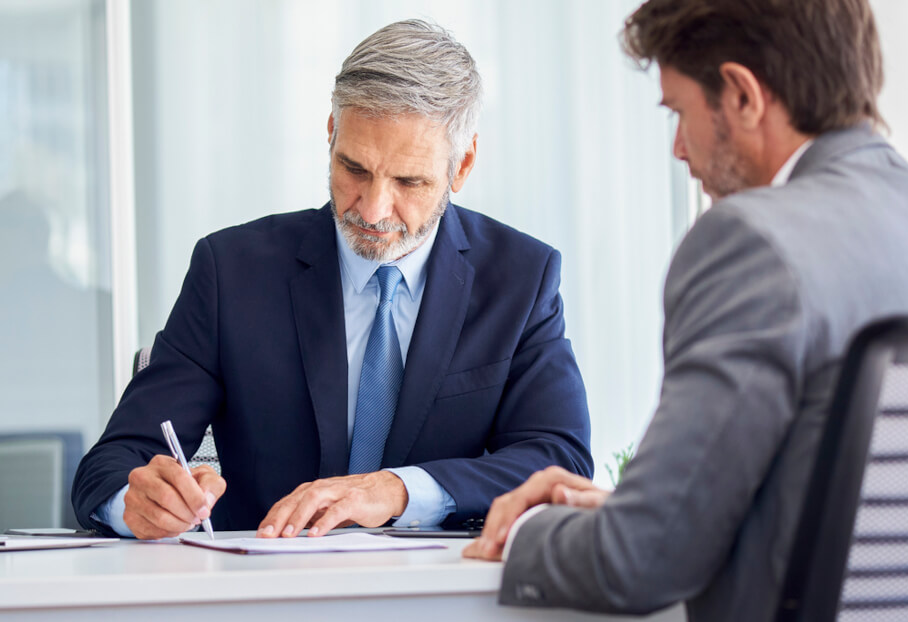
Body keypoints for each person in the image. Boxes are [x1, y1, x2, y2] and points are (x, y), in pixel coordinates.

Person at [462, 1, 908, 620]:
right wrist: (636, 511)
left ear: (743, 96)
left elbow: (639, 562)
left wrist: (528, 528)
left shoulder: (750, 241)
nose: (677, 148)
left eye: (680, 112)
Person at [72, 19, 592, 541]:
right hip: (264, 595)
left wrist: (394, 490)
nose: (372, 208)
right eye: (355, 169)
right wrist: (134, 502)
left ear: (463, 166)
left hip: (439, 596)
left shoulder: (521, 279)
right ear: (330, 135)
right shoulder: (231, 271)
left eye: (408, 181)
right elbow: (112, 463)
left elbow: (558, 458)